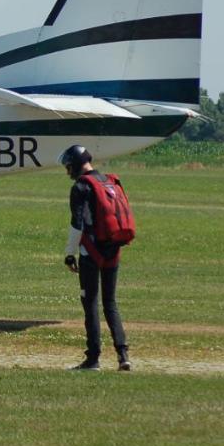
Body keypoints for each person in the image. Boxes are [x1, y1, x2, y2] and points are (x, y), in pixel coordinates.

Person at [61, 144, 131, 372]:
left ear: (76, 164)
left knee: (90, 303)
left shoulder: (81, 186)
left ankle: (93, 359)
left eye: (68, 166)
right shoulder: (108, 181)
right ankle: (123, 355)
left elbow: (77, 223)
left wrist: (69, 254)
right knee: (110, 302)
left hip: (91, 252)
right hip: (114, 249)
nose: (67, 171)